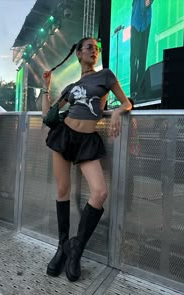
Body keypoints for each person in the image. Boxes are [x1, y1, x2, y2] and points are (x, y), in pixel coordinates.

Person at [42, 37, 132, 282]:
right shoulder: (71, 86)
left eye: (97, 48)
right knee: (62, 190)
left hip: (87, 140)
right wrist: (46, 87)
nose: (95, 51)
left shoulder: (105, 75)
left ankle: (76, 248)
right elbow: (46, 116)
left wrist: (116, 112)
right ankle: (62, 247)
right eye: (89, 47)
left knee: (99, 193)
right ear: (78, 54)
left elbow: (126, 103)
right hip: (64, 136)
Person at [130, 0, 154, 99]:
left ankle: (140, 90)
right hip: (136, 22)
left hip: (146, 23)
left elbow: (148, 3)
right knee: (133, 59)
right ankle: (133, 90)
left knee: (142, 58)